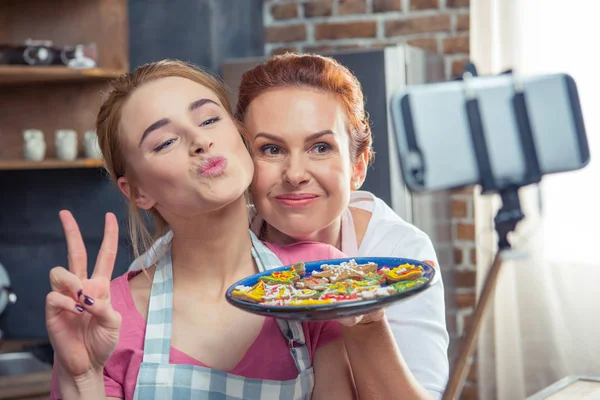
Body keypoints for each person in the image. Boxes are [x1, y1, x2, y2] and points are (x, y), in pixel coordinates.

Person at [46, 59, 432, 400]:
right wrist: (82, 379)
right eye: (165, 141)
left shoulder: (317, 276)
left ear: (238, 136)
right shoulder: (104, 317)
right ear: (138, 191)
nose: (200, 140)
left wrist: (367, 318)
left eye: (209, 119)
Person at [235, 53, 450, 398]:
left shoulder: (399, 255)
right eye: (271, 149)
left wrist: (366, 317)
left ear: (358, 167)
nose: (294, 174)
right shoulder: (219, 242)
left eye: (320, 147)